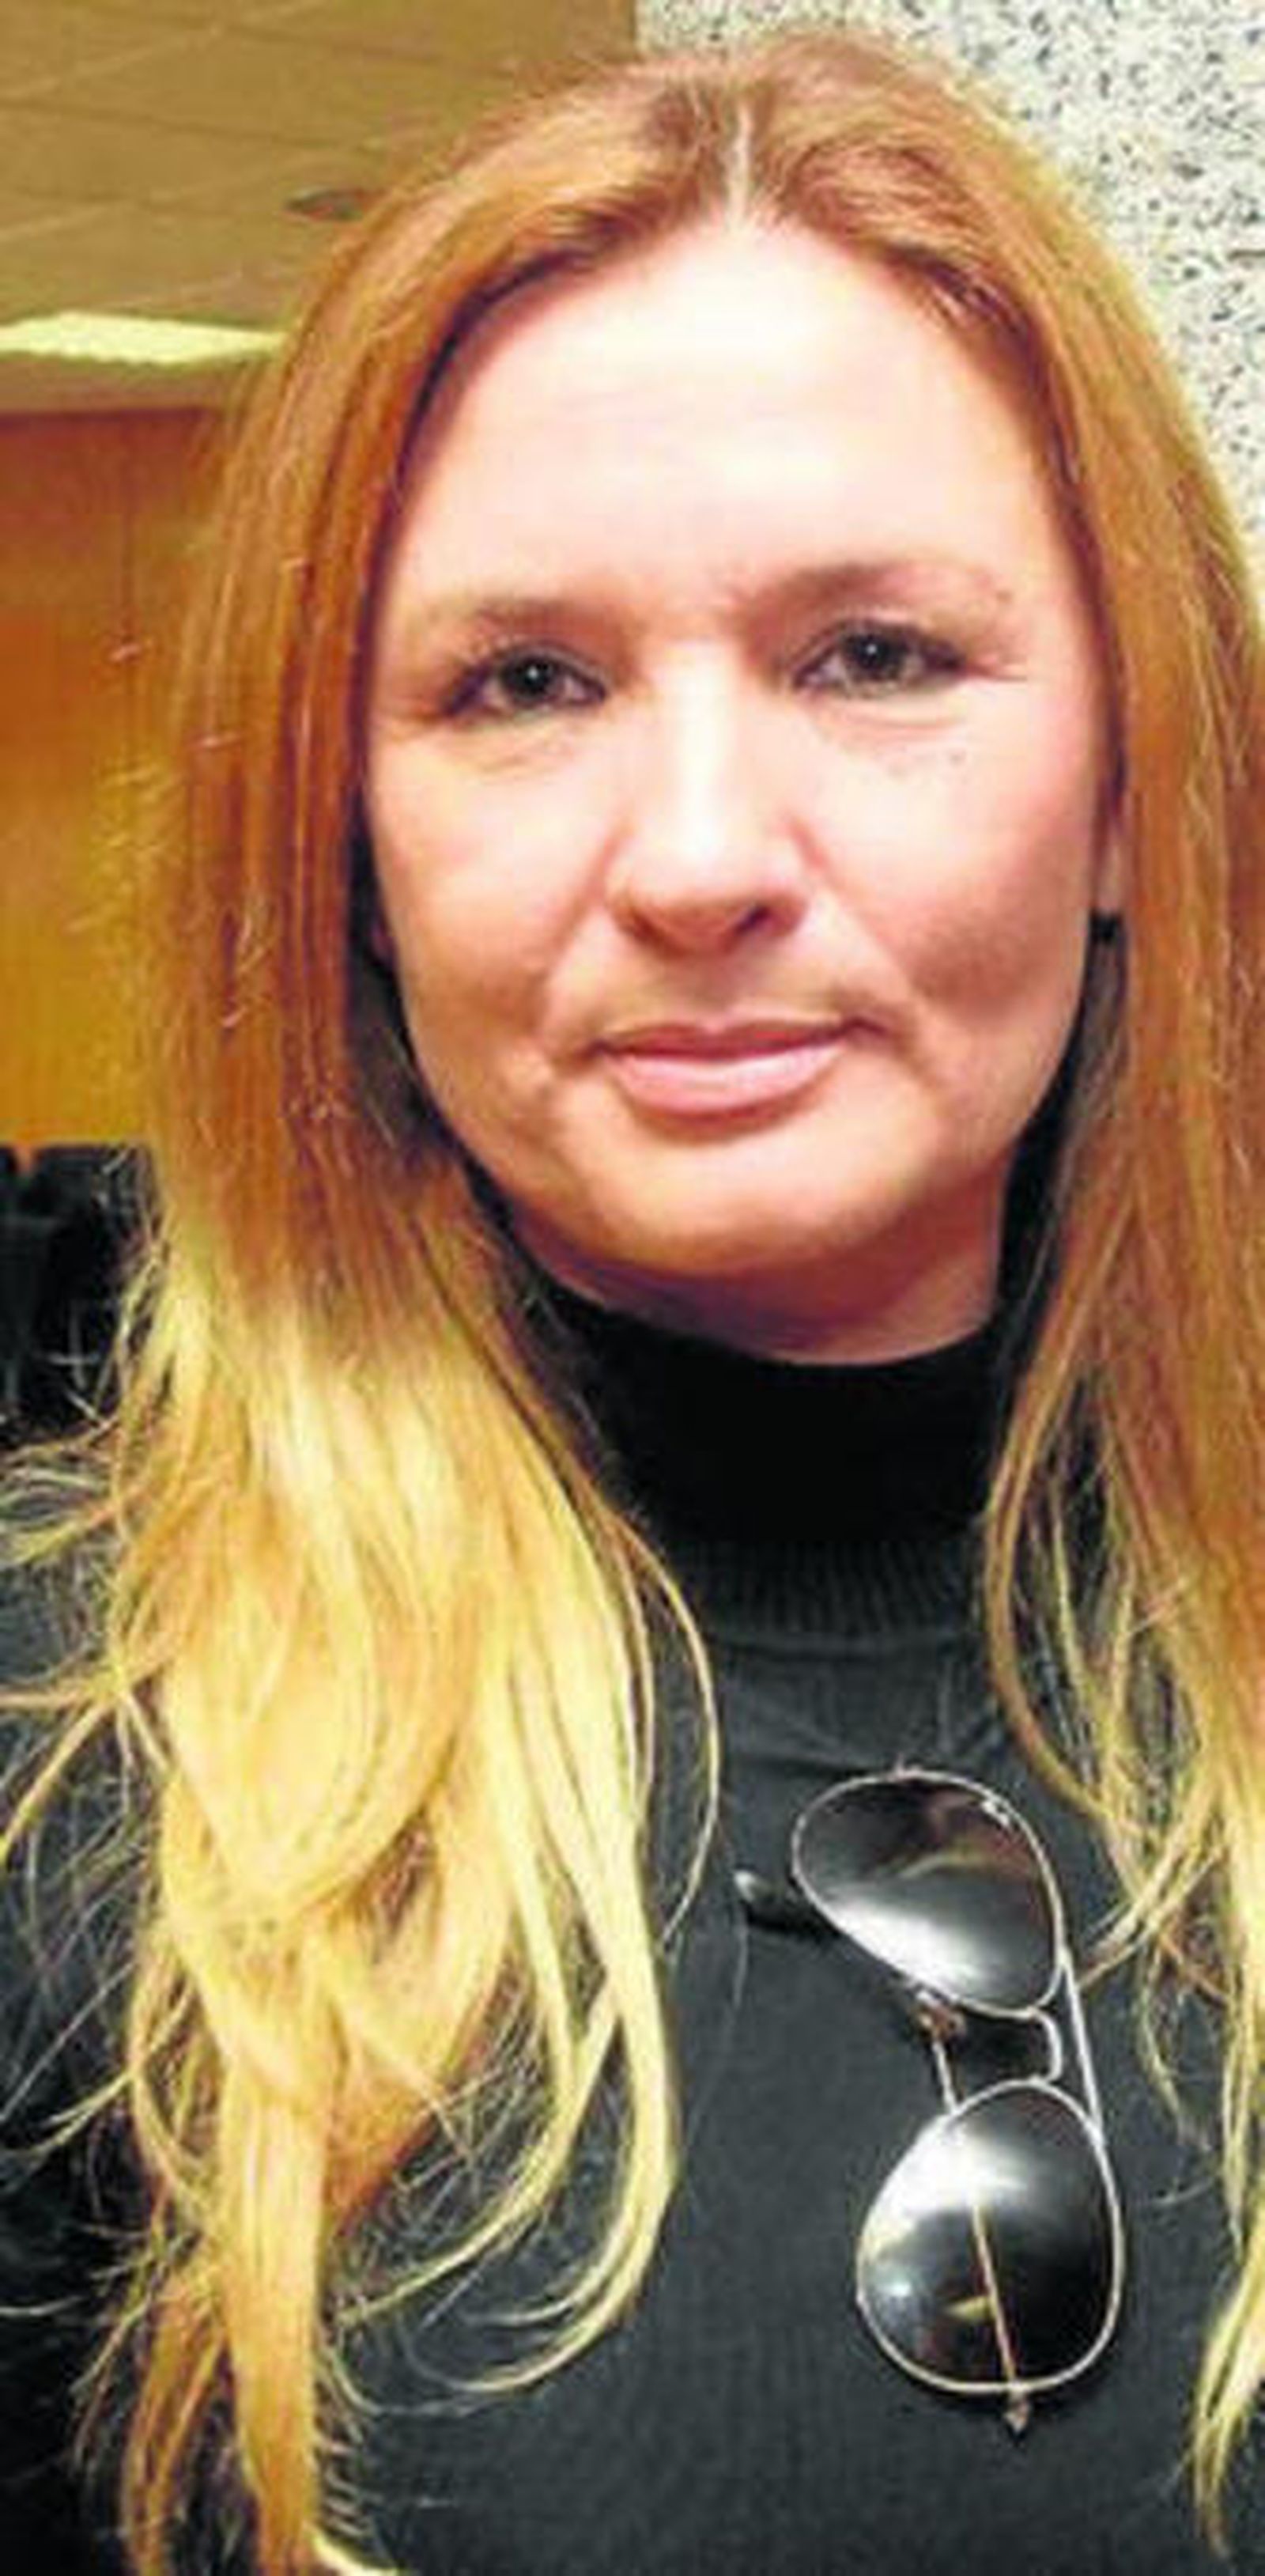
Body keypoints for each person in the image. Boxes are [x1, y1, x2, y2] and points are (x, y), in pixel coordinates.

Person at [2, 25, 1263, 2576]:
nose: (698, 857)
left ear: (1133, 788)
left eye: (876, 656)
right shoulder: (67, 1775)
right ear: (345, 850)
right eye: (525, 685)